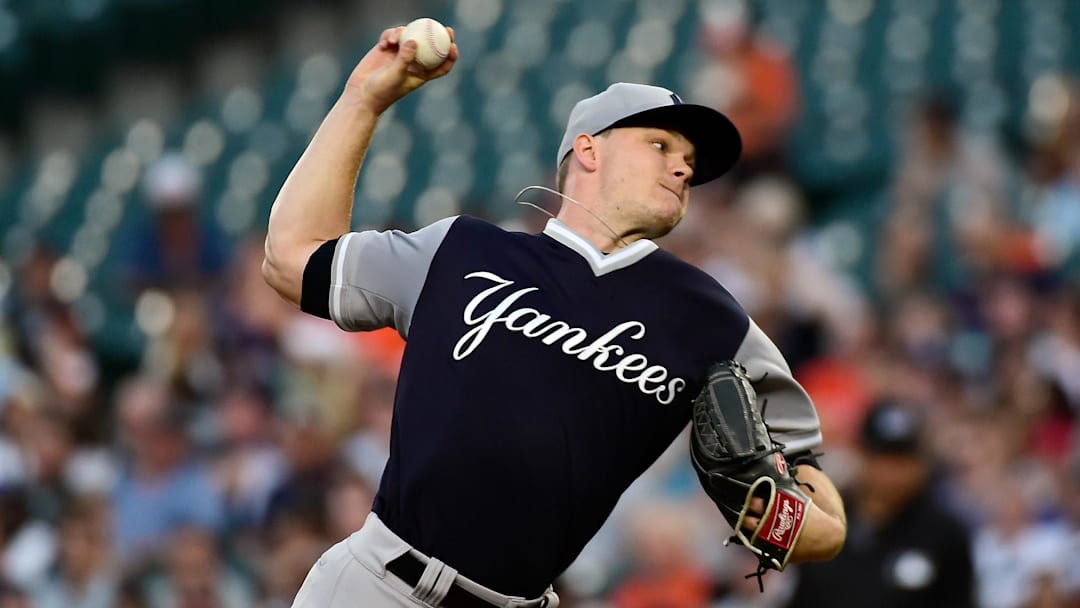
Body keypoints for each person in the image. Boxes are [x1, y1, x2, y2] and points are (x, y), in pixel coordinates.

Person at [262, 24, 847, 608]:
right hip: (379, 587)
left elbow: (819, 508)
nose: (683, 169)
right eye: (661, 146)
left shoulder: (711, 318)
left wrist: (785, 522)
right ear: (588, 148)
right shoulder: (462, 251)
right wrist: (364, 99)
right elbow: (291, 260)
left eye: (690, 160)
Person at [787, 401, 974, 608]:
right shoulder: (825, 524)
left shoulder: (945, 536)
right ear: (861, 455)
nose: (892, 474)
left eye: (903, 460)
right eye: (882, 457)